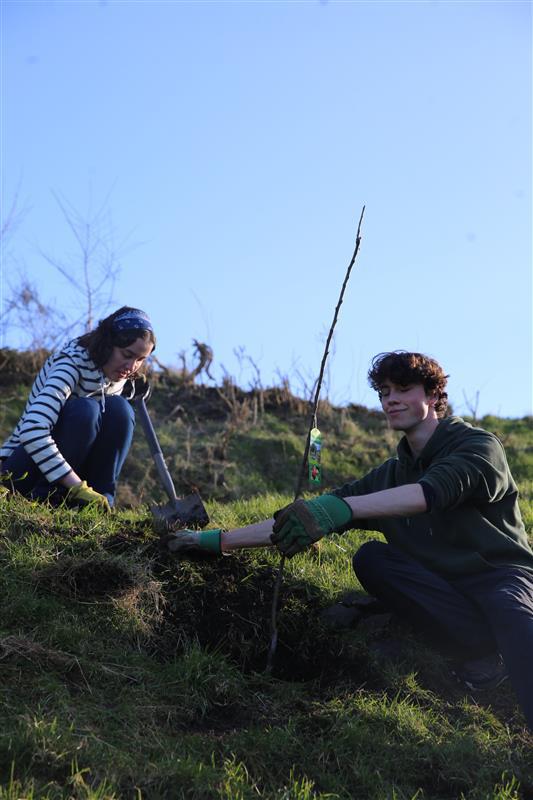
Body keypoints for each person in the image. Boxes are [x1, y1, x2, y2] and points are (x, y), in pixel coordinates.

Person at [166, 351, 533, 731]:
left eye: (404, 389)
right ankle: (482, 652)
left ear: (433, 394)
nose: (391, 399)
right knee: (372, 558)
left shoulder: (477, 446)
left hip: (499, 577)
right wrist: (217, 540)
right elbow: (308, 517)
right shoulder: (390, 474)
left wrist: (345, 509)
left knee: (510, 610)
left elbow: (428, 493)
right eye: (384, 391)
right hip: (443, 593)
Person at [0, 306, 155, 510]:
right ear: (108, 344)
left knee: (121, 409)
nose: (131, 366)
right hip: (22, 472)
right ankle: (48, 498)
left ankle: (99, 504)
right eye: (127, 354)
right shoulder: (70, 364)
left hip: (72, 477)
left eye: (140, 359)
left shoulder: (117, 376)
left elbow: (108, 418)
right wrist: (76, 486)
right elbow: (32, 431)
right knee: (86, 410)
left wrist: (131, 388)